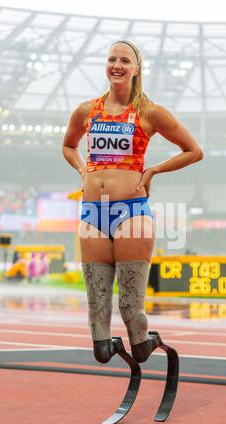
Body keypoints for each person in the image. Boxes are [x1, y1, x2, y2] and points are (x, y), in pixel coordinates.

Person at [62, 40, 203, 365]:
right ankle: (109, 345)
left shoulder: (148, 112)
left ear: (136, 68)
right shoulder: (86, 110)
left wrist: (153, 169)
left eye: (125, 60)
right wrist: (83, 169)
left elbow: (194, 151)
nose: (117, 65)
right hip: (93, 213)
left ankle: (143, 341)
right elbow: (69, 146)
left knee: (129, 306)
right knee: (97, 309)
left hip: (132, 213)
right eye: (112, 58)